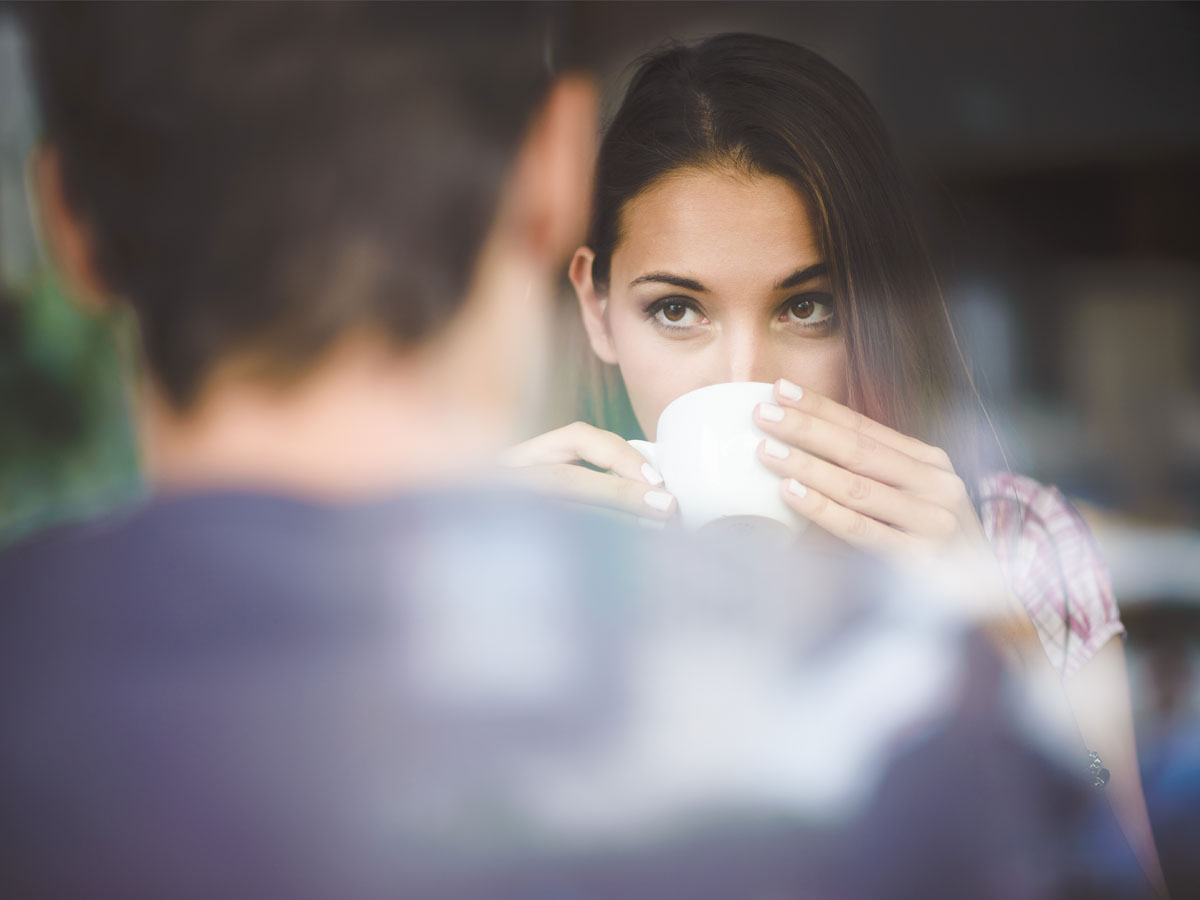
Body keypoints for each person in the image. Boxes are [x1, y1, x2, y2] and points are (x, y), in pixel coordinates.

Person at [507, 32, 1164, 893]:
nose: (745, 376)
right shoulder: (523, 561)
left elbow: (1124, 877)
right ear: (596, 309)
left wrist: (978, 628)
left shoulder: (1022, 548)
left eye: (806, 307)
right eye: (675, 310)